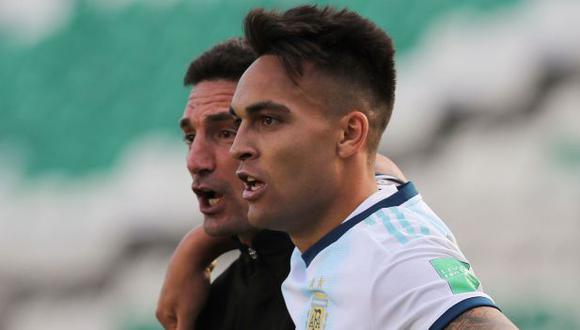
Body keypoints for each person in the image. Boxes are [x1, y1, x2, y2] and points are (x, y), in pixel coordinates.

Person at [229, 5, 517, 329]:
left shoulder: (394, 261)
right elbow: (376, 163)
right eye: (238, 122)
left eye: (268, 120)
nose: (237, 146)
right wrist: (201, 246)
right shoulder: (351, 201)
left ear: (349, 134)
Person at [155, 38, 408, 330]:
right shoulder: (210, 306)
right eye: (190, 138)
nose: (195, 161)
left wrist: (197, 246)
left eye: (225, 132)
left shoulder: (372, 268)